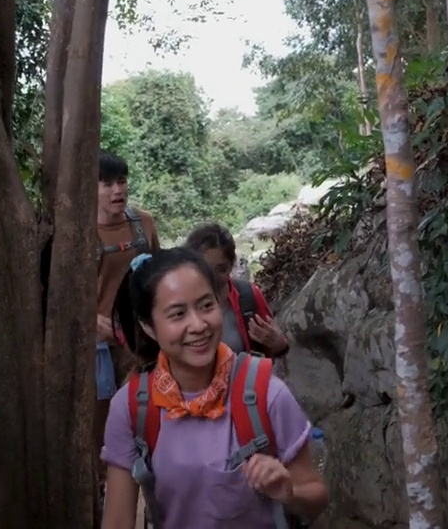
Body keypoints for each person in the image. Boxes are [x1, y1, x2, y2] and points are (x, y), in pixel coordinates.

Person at [102, 248, 328, 529]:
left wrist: (289, 490)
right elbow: (117, 520)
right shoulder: (133, 406)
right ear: (148, 326)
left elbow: (316, 497)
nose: (198, 325)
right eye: (178, 314)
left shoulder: (265, 392)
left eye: (206, 305)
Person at [94, 151, 160, 520]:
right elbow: (55, 292)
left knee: (150, 424)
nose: (117, 190)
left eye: (121, 181)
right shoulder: (75, 231)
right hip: (98, 351)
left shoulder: (143, 224)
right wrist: (89, 320)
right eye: (107, 184)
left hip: (141, 345)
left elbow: (159, 277)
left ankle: (156, 507)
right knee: (101, 435)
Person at [184, 223, 289, 358]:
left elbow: (275, 350)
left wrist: (277, 342)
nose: (213, 277)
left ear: (231, 265)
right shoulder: (178, 304)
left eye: (221, 269)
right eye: (205, 269)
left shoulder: (248, 296)